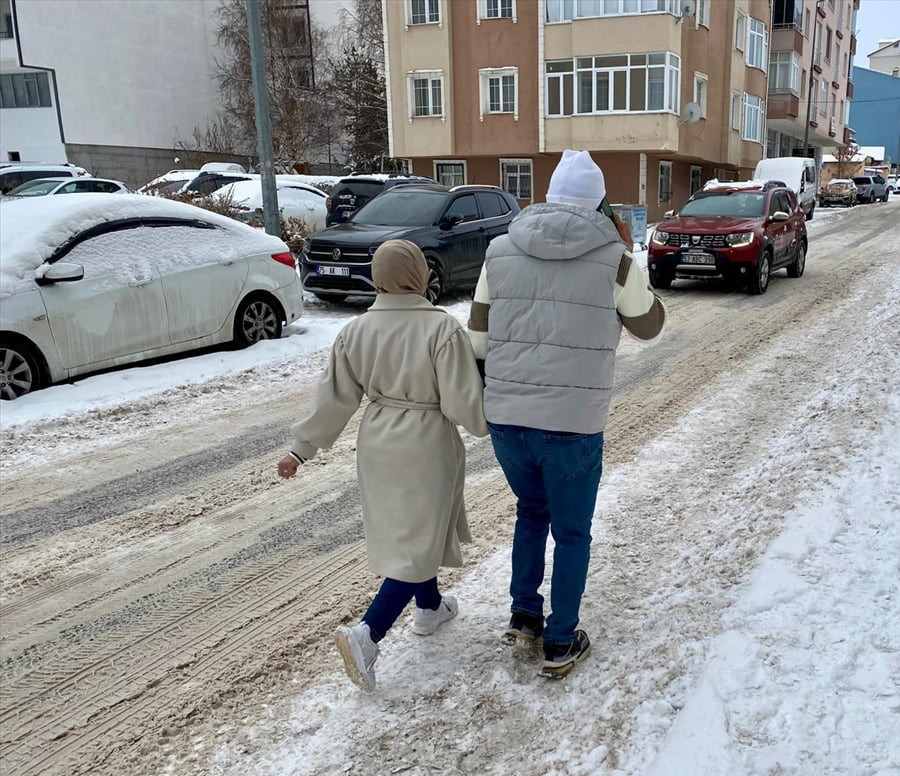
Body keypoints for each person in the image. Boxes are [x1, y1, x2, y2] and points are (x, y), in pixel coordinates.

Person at [467, 149, 667, 678]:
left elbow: (479, 340)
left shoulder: (498, 251)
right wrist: (630, 260)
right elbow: (650, 327)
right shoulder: (618, 259)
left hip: (508, 419)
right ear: (602, 204)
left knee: (531, 513)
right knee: (572, 531)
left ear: (549, 197)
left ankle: (524, 615)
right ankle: (560, 642)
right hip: (574, 423)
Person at [277, 239, 487, 693]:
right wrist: (490, 418)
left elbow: (334, 397)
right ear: (419, 274)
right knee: (418, 538)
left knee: (410, 532)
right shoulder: (442, 330)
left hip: (376, 441)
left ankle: (430, 608)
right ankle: (368, 634)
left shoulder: (355, 331)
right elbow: (463, 404)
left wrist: (301, 449)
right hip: (426, 443)